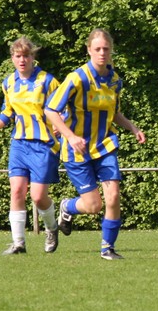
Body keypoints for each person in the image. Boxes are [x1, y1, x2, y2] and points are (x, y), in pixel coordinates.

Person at [44, 28, 146, 260]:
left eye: (106, 49)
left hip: (105, 146)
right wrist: (70, 136)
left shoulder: (115, 80)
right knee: (93, 206)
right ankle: (67, 207)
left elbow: (114, 113)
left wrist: (132, 128)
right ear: (89, 50)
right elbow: (50, 110)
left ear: (111, 51)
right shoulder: (77, 78)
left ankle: (107, 248)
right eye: (97, 49)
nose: (102, 53)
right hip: (77, 150)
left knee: (114, 196)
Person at [0, 37, 61, 255]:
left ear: (33, 57)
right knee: (17, 190)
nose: (22, 60)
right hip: (19, 144)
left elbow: (63, 109)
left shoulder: (47, 81)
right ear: (12, 58)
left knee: (38, 197)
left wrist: (61, 127)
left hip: (43, 145)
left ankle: (52, 228)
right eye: (18, 56)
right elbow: (7, 113)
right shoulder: (9, 82)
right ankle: (18, 243)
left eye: (26, 56)